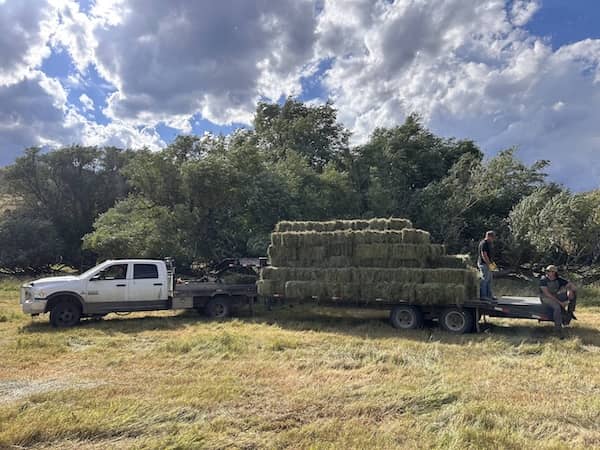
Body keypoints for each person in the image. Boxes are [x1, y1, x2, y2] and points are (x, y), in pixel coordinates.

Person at [539, 265, 577, 333]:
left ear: (554, 272)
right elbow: (547, 294)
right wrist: (561, 303)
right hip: (545, 298)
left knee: (574, 294)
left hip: (555, 296)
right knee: (557, 307)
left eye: (549, 271)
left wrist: (569, 290)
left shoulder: (559, 279)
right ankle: (558, 328)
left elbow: (573, 286)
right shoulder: (543, 280)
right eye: (546, 271)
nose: (547, 272)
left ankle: (570, 312)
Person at [477, 230, 496, 300]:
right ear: (488, 236)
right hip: (484, 264)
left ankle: (489, 295)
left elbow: (490, 255)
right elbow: (484, 255)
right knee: (485, 280)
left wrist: (493, 265)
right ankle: (483, 296)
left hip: (489, 263)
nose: (493, 239)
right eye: (492, 237)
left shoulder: (489, 243)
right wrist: (489, 264)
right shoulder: (484, 243)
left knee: (490, 280)